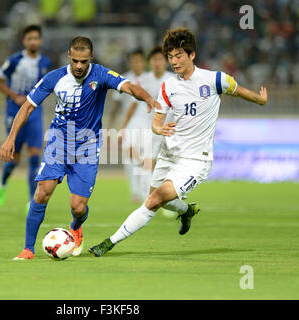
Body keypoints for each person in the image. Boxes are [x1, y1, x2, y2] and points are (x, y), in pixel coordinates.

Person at [89, 28, 268, 257]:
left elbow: (240, 91)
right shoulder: (169, 86)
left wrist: (260, 100)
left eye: (179, 56)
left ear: (192, 55)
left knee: (154, 200)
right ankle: (186, 211)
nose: (174, 62)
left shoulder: (214, 79)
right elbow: (156, 121)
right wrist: (159, 128)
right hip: (169, 153)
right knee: (158, 200)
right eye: (170, 57)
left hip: (195, 160)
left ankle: (108, 243)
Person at [0, 36, 161, 260]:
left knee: (77, 206)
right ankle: (28, 248)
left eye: (83, 62)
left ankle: (76, 226)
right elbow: (27, 107)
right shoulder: (54, 78)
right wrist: (11, 139)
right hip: (58, 142)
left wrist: (149, 99)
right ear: (69, 56)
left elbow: (129, 87)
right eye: (75, 60)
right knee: (43, 191)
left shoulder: (101, 75)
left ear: (91, 58)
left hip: (87, 145)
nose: (79, 66)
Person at [0, 25, 51, 208]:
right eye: (29, 38)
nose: (33, 41)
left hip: (34, 112)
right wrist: (13, 96)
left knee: (35, 155)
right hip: (14, 112)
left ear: (40, 40)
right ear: (24, 41)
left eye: (36, 38)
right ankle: (2, 182)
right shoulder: (15, 60)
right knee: (14, 158)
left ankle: (30, 200)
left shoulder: (45, 62)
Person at [120, 46, 173, 203]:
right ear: (149, 62)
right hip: (147, 128)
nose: (157, 63)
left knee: (164, 166)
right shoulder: (142, 81)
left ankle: (164, 196)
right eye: (154, 59)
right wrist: (123, 126)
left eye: (160, 59)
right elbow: (133, 104)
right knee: (146, 163)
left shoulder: (173, 80)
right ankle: (147, 199)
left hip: (168, 129)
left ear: (166, 61)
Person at [109, 49, 148, 203]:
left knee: (145, 159)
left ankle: (145, 191)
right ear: (130, 62)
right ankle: (135, 191)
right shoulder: (123, 80)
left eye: (139, 60)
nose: (136, 64)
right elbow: (116, 105)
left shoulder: (150, 79)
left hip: (147, 124)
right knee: (129, 158)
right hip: (129, 125)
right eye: (133, 61)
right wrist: (112, 125)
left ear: (143, 62)